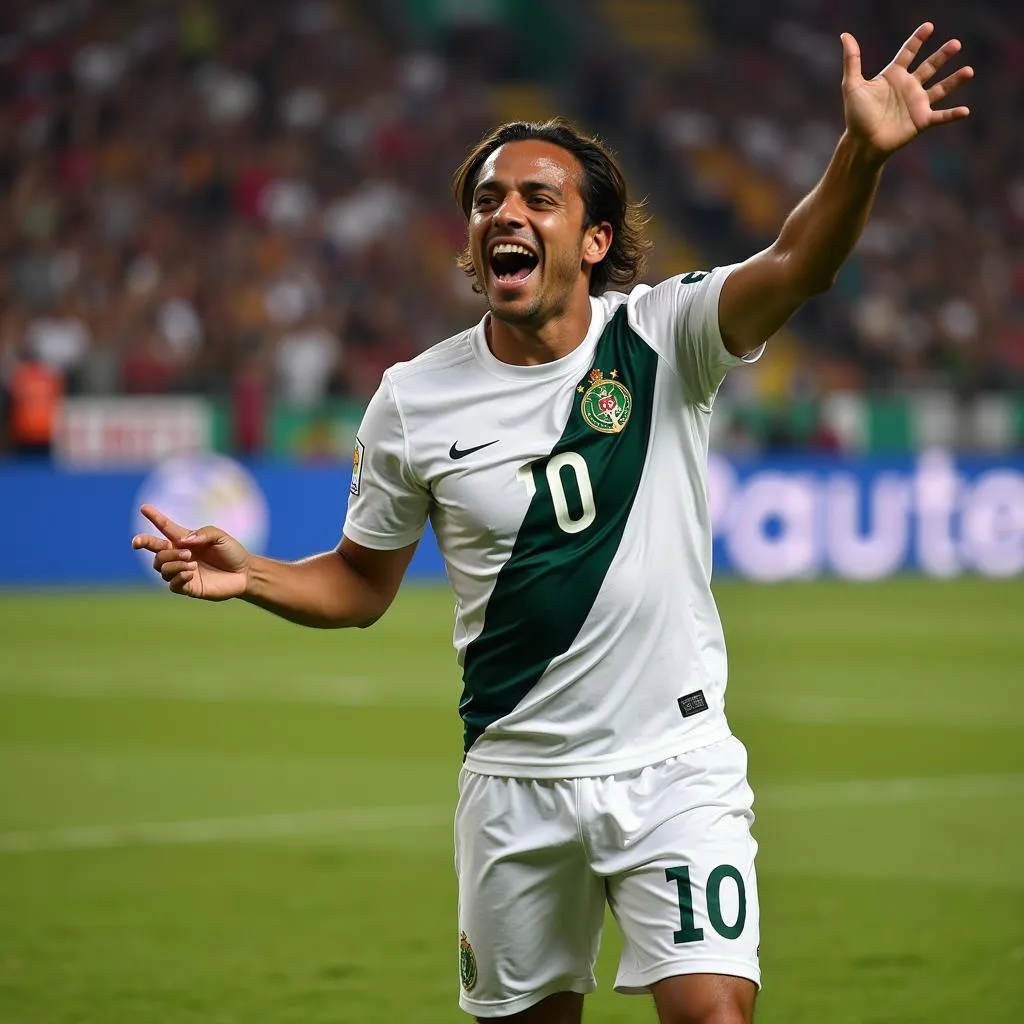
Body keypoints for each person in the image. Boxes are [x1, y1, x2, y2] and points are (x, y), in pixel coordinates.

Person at [133, 24, 972, 1024]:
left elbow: (798, 264)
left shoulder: (663, 337)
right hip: (513, 777)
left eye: (537, 197)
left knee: (712, 1011)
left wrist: (859, 156)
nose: (505, 214)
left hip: (674, 761)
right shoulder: (412, 398)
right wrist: (254, 572)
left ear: (594, 239)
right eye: (487, 199)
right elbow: (362, 584)